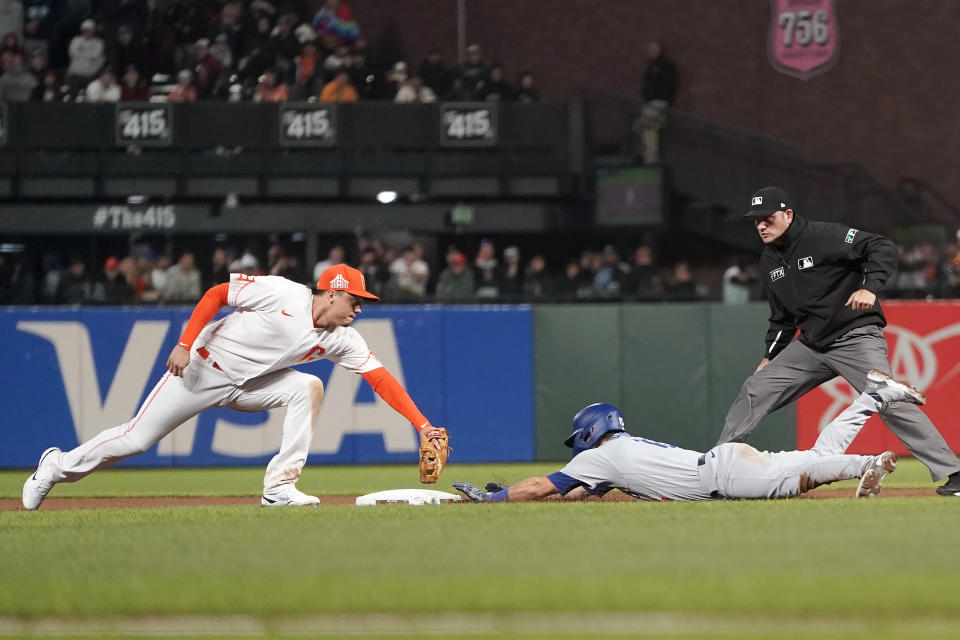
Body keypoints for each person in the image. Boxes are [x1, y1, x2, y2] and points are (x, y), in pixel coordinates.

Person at [22, 264, 447, 510]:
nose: (359, 307)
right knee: (136, 439)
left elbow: (381, 380)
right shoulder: (280, 292)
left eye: (362, 302)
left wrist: (422, 424)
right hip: (203, 371)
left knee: (308, 387)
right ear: (331, 294)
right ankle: (56, 467)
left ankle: (279, 487)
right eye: (355, 299)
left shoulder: (342, 339)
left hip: (250, 386)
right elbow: (216, 294)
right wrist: (185, 343)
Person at [717, 186, 960, 497]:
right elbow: (782, 318)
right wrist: (770, 356)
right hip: (812, 346)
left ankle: (954, 473)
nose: (761, 225)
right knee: (755, 387)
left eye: (767, 218)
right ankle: (719, 464)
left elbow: (881, 246)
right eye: (756, 221)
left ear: (788, 214)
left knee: (887, 399)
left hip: (855, 336)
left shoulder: (824, 236)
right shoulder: (769, 260)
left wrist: (870, 286)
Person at [454, 370, 925, 504]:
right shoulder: (617, 452)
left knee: (802, 476)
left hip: (725, 473)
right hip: (725, 463)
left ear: (590, 432)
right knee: (813, 459)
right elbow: (572, 493)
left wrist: (495, 500)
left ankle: (863, 464)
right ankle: (873, 397)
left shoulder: (600, 457)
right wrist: (507, 491)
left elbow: (546, 486)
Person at [637, 39, 678, 164]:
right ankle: (648, 157)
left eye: (654, 49)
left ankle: (650, 159)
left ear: (660, 50)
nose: (651, 51)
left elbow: (669, 86)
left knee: (647, 127)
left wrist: (657, 95)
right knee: (647, 130)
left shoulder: (665, 66)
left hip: (658, 102)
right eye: (650, 49)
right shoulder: (651, 66)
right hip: (650, 102)